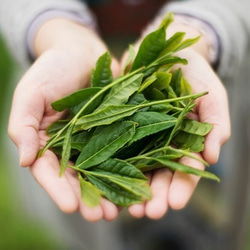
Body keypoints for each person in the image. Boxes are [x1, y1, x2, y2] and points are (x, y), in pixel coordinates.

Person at [0, 0, 249, 249]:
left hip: (216, 70)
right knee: (85, 231)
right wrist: (54, 29)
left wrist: (203, 28)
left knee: (207, 227)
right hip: (72, 72)